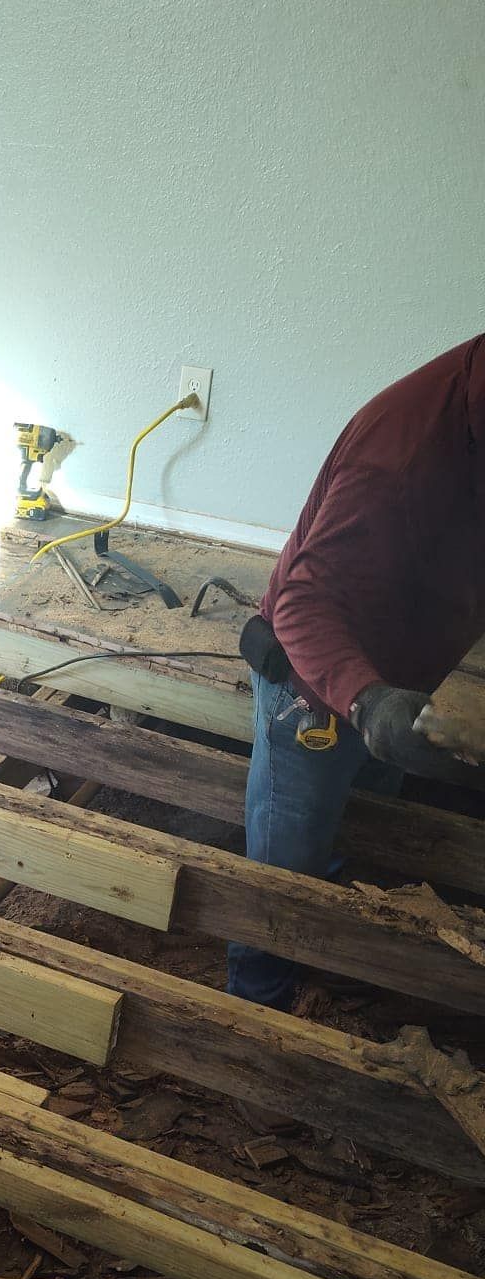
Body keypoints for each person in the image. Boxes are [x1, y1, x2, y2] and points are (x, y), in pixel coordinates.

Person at [226, 337, 485, 1009]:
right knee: (285, 869)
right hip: (315, 688)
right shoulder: (400, 458)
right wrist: (368, 704)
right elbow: (304, 603)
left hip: (397, 681)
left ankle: (330, 928)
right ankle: (260, 1010)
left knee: (359, 818)